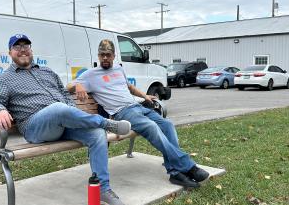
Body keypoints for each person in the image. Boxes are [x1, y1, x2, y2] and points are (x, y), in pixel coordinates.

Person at [0, 34, 131, 205]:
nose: (22, 49)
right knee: (58, 109)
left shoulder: (47, 72)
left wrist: (70, 110)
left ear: (31, 50)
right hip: (35, 126)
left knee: (96, 134)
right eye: (17, 46)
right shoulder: (4, 79)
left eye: (26, 45)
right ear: (10, 52)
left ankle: (103, 190)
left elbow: (64, 94)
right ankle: (105, 123)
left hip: (61, 123)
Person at [67, 39, 210, 189]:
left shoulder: (118, 70)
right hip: (122, 113)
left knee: (167, 125)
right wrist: (77, 85)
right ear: (98, 55)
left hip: (137, 106)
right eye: (102, 55)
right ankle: (188, 167)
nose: (105, 58)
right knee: (151, 127)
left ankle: (175, 172)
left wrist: (145, 96)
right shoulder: (91, 74)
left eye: (108, 55)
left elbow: (129, 87)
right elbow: (68, 85)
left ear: (114, 55)